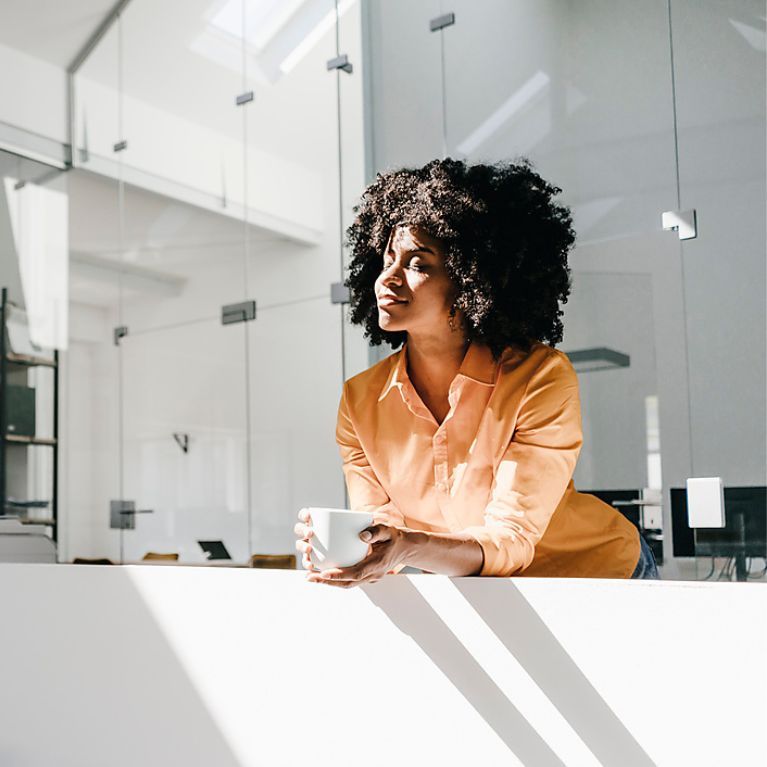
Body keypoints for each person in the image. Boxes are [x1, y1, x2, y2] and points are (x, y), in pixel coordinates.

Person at [294, 157, 658, 587]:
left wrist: (407, 546)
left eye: (417, 264)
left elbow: (511, 538)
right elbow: (384, 529)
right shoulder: (360, 401)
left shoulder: (540, 377)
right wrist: (359, 546)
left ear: (472, 281)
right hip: (484, 591)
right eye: (388, 258)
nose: (386, 279)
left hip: (597, 573)